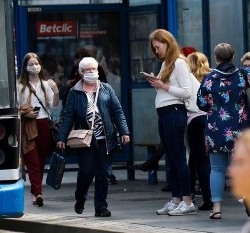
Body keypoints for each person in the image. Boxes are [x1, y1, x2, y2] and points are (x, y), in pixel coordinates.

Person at [198, 43, 250, 219]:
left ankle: (217, 209)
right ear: (233, 57)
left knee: (217, 169)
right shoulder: (244, 75)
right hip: (240, 128)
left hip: (215, 130)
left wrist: (214, 106)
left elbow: (201, 103)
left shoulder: (209, 78)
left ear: (216, 58)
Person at [56, 56, 130, 217]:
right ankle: (80, 198)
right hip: (85, 140)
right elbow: (68, 116)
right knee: (87, 171)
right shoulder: (74, 92)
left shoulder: (106, 89)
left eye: (94, 69)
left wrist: (124, 132)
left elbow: (117, 111)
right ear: (81, 73)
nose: (91, 72)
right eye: (88, 70)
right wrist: (61, 138)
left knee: (104, 173)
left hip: (105, 139)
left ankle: (101, 207)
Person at [145, 29, 196, 216]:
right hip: (166, 112)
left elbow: (186, 92)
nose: (156, 51)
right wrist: (157, 82)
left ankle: (187, 200)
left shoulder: (179, 63)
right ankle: (176, 199)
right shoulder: (167, 63)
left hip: (174, 112)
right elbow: (167, 91)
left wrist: (162, 85)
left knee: (179, 158)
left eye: (157, 47)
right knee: (173, 159)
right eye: (154, 48)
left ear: (167, 43)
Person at [17, 52, 56, 207]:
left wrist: (57, 91)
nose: (35, 66)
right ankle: (39, 192)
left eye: (37, 63)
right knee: (32, 160)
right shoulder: (20, 86)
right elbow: (15, 107)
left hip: (43, 123)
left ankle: (35, 192)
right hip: (28, 125)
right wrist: (26, 112)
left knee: (40, 160)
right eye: (31, 64)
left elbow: (54, 106)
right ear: (25, 68)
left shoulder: (46, 84)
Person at [186, 51, 213, 210]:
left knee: (197, 161)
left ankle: (204, 198)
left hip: (195, 120)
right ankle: (211, 197)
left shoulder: (188, 80)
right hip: (211, 121)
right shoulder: (211, 78)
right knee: (208, 161)